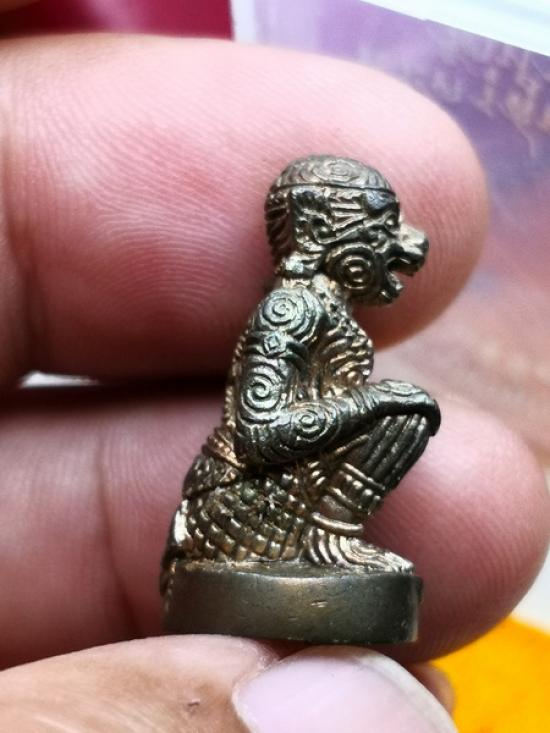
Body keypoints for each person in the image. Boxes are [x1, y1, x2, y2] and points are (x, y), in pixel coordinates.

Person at [0, 13, 547, 733]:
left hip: (283, 492)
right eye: (383, 228)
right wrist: (369, 405)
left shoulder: (328, 313)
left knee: (406, 409)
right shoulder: (291, 310)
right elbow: (258, 434)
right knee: (402, 405)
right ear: (324, 234)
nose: (409, 245)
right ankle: (320, 537)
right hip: (241, 506)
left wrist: (371, 404)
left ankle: (329, 536)